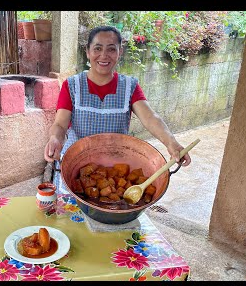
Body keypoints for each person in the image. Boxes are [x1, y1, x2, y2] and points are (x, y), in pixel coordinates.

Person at [43, 25, 192, 194]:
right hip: (76, 168)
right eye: (97, 48)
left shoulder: (130, 86)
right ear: (87, 51)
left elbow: (150, 118)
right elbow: (60, 125)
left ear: (120, 52)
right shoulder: (72, 86)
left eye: (111, 49)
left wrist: (172, 143)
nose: (104, 55)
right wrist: (55, 139)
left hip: (113, 171)